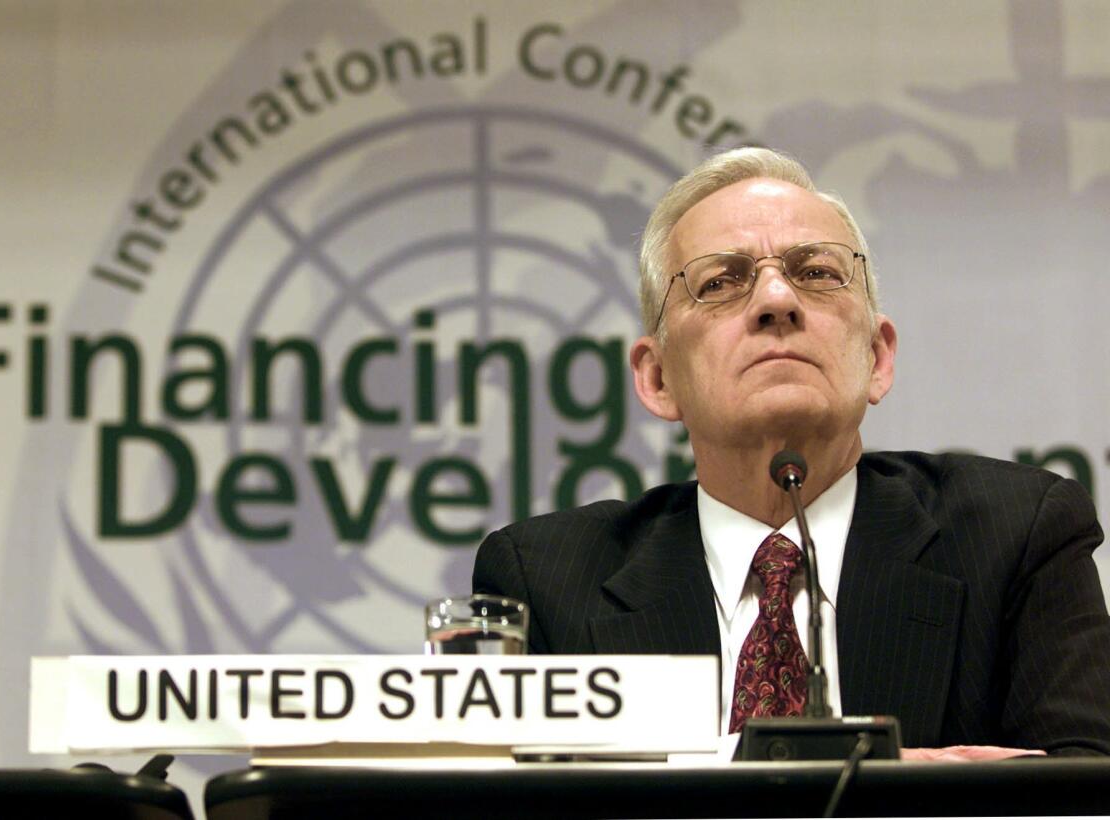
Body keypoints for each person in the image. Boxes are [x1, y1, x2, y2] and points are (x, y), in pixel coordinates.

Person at [473, 147, 1110, 756]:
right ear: (657, 378)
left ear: (877, 358)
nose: (777, 301)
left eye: (816, 273)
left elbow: (1082, 791)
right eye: (722, 281)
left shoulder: (1015, 536)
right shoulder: (548, 582)